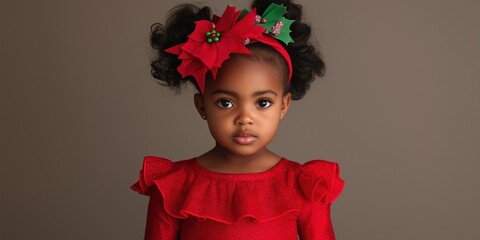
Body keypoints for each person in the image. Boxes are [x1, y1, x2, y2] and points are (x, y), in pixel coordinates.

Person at [131, 0, 344, 239]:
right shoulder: (173, 187)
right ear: (202, 106)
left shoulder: (305, 187)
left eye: (262, 103)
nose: (244, 118)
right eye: (226, 103)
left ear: (283, 105)